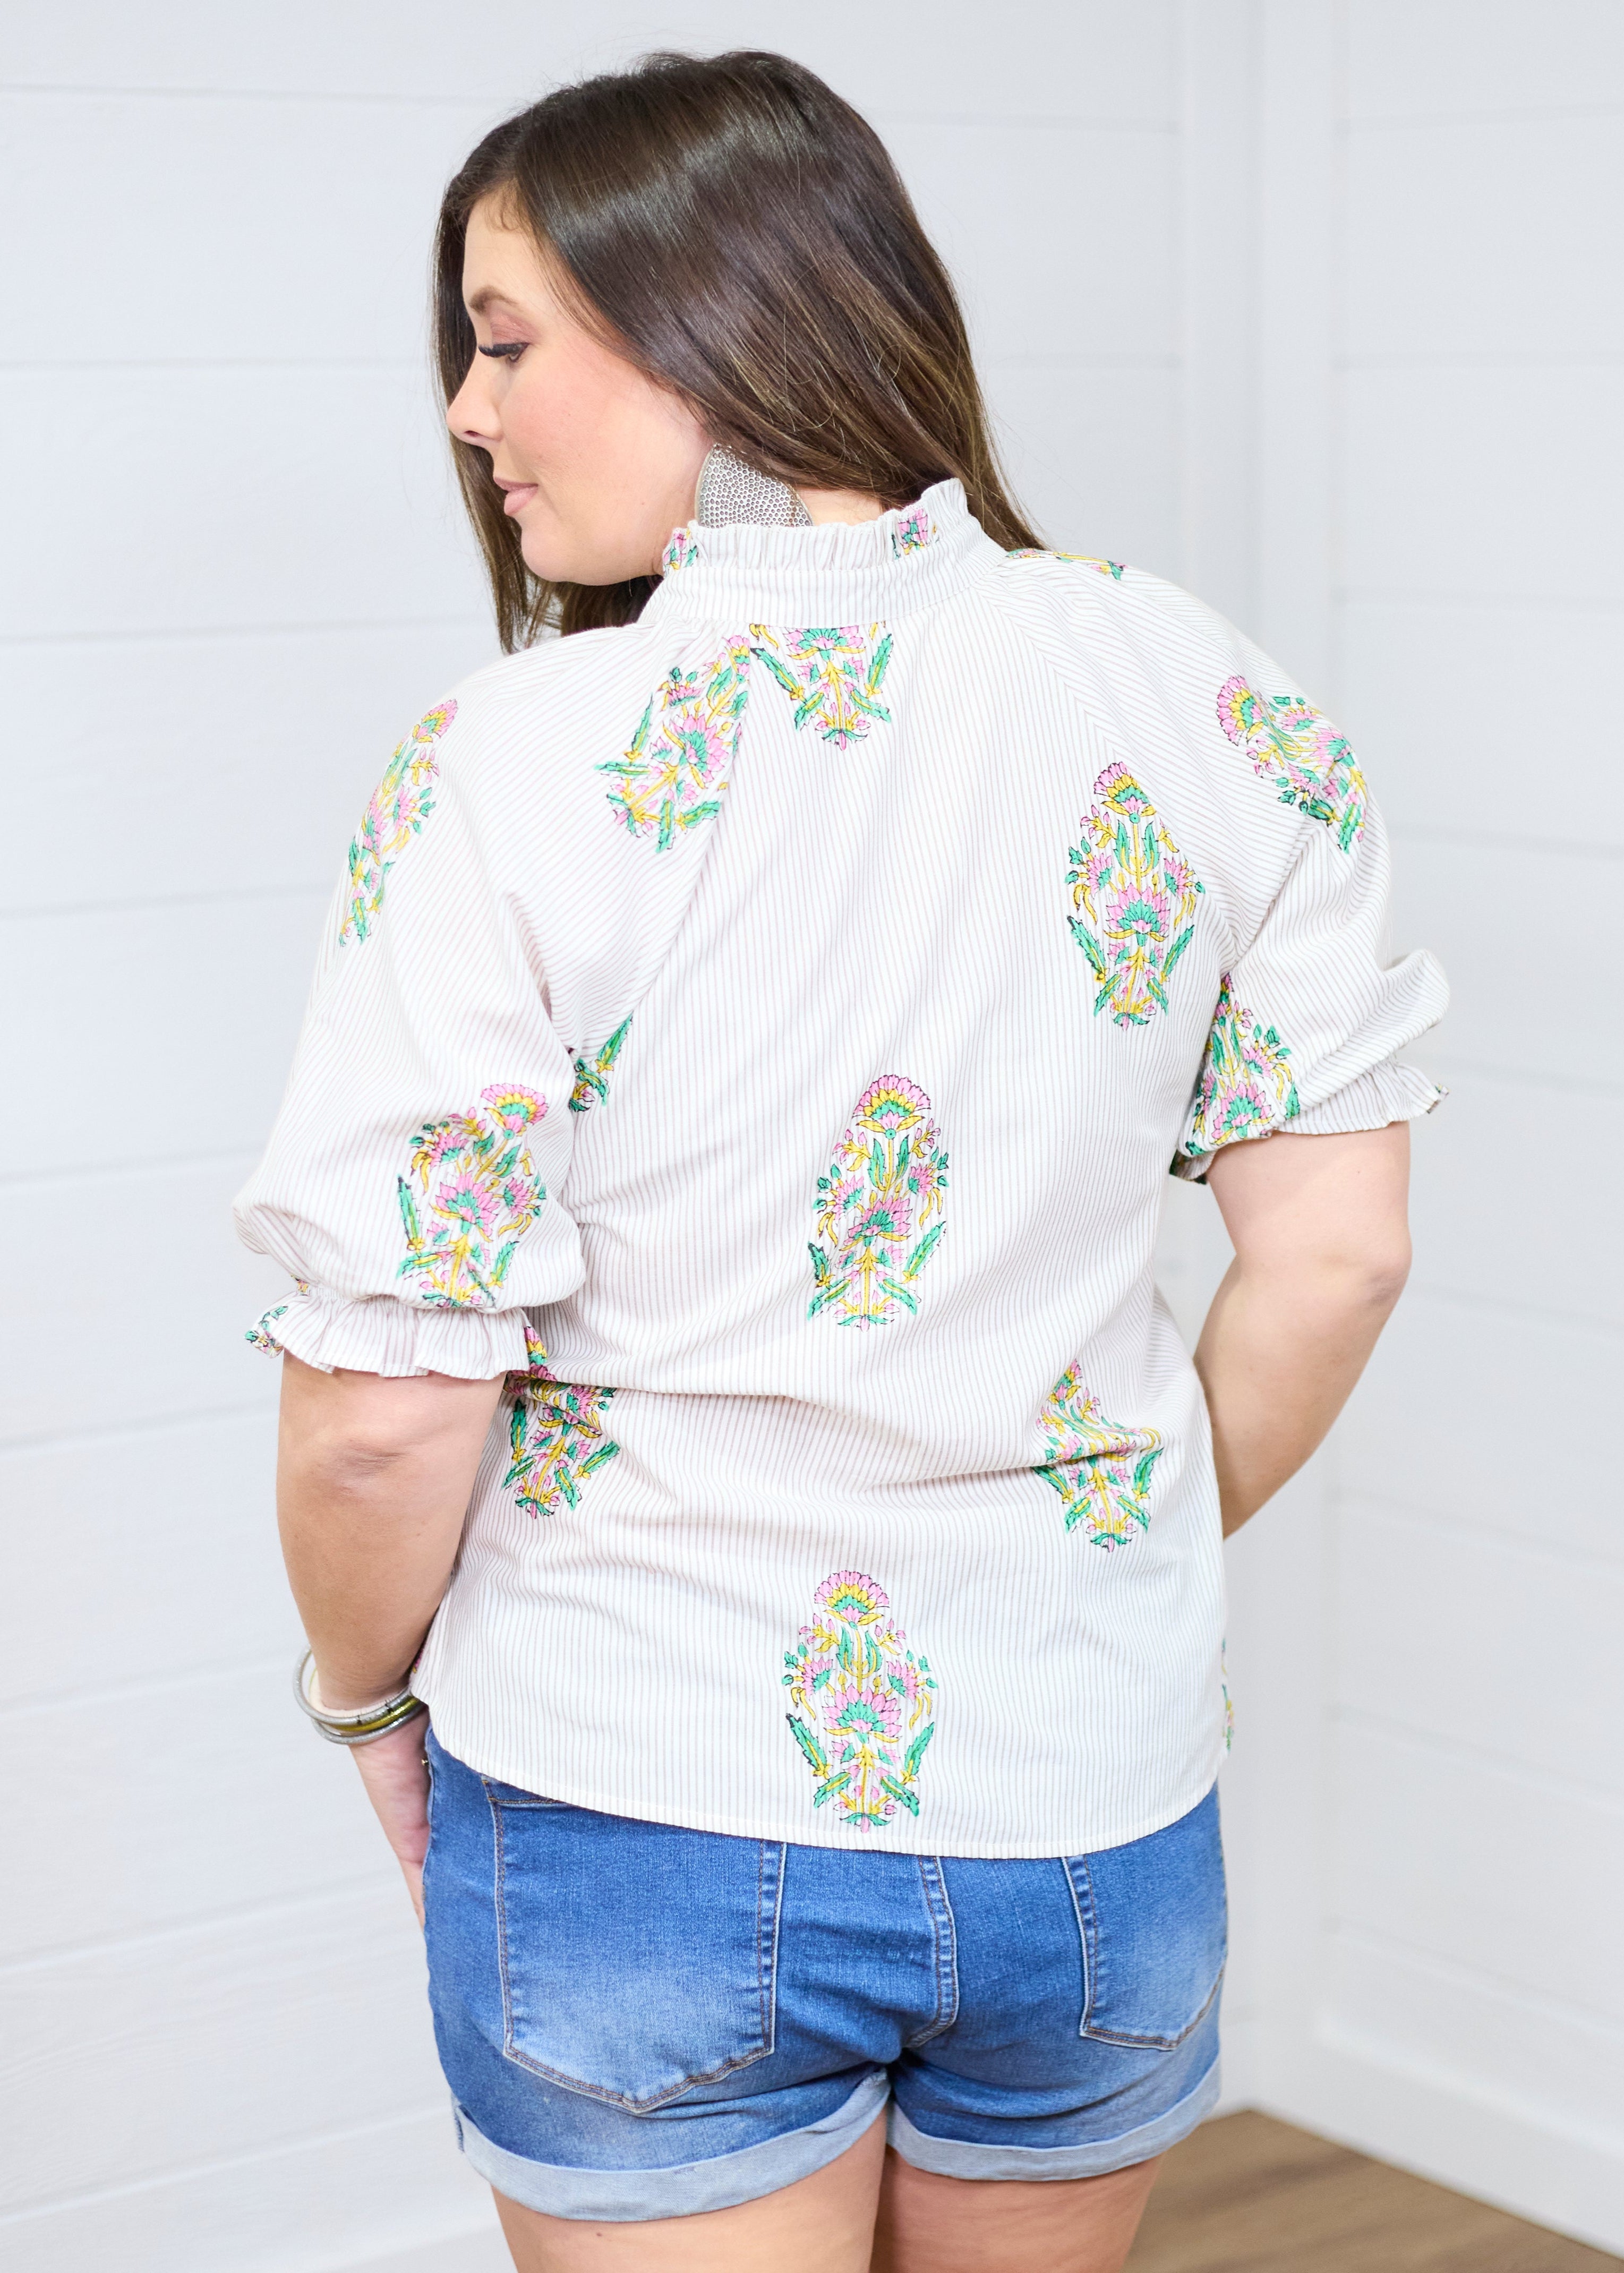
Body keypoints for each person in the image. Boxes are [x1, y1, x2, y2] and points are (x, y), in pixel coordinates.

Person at [235, 49, 1445, 2273]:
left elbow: (389, 1404)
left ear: (712, 312)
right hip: (1088, 1809)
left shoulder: (511, 762)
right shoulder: (1201, 697)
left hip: (637, 1789)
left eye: (505, 340)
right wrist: (1105, 1521)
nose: (463, 411)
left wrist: (368, 1695)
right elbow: (1338, 1259)